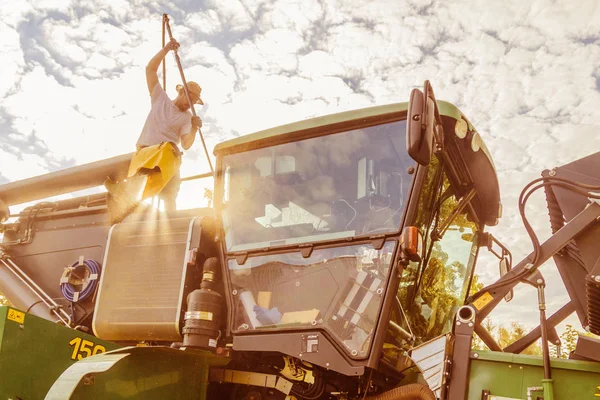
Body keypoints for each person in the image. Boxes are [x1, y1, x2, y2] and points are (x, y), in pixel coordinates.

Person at [136, 38, 203, 211]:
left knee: (170, 195)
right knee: (136, 193)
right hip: (146, 153)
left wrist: (194, 128)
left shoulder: (187, 118)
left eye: (194, 102)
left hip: (166, 158)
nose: (191, 104)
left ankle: (170, 220)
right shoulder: (160, 98)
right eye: (190, 99)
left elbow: (186, 144)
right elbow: (150, 69)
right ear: (181, 92)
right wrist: (166, 49)